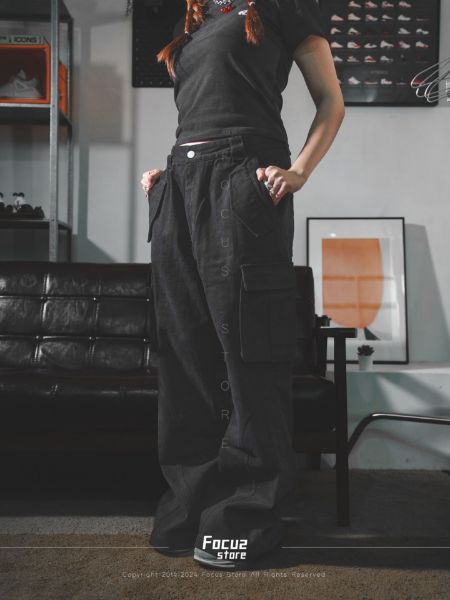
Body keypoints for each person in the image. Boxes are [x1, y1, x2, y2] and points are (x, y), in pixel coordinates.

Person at [140, 0, 344, 569]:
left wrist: (299, 170)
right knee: (185, 357)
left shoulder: (281, 7)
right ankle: (191, 506)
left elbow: (331, 101)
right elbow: (199, 112)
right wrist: (170, 176)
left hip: (243, 179)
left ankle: (246, 516)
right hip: (180, 184)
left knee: (251, 353)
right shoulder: (192, 20)